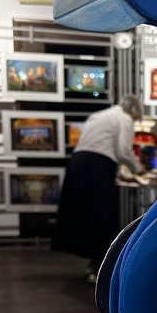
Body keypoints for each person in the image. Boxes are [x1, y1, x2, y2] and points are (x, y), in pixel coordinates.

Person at [53, 96, 144, 283]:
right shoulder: (124, 119)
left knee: (83, 215)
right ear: (134, 112)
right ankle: (100, 267)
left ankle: (93, 262)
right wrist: (139, 169)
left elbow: (100, 146)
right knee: (101, 215)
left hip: (78, 164)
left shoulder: (100, 115)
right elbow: (123, 151)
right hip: (97, 167)